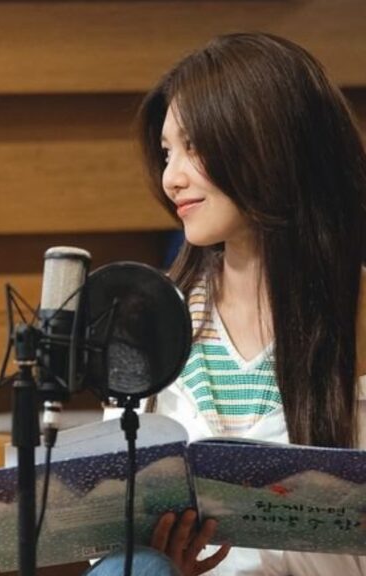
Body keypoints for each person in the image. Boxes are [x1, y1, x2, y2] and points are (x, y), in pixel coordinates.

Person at [126, 33, 366, 575]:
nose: (172, 178)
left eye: (194, 147)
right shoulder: (153, 319)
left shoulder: (357, 313)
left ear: (271, 146)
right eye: (167, 152)